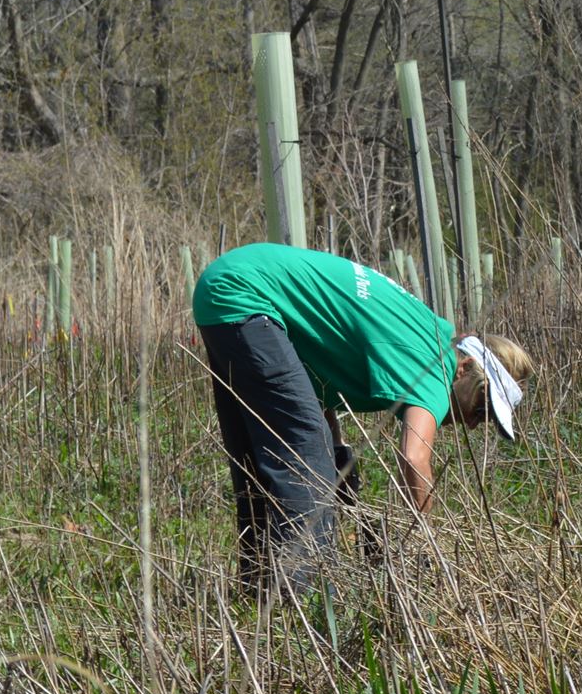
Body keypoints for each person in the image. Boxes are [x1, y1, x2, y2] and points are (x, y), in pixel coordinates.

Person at [191, 241, 534, 595]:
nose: (475, 423)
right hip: (247, 296)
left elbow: (313, 384)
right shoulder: (438, 365)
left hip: (229, 288)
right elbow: (414, 460)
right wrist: (423, 546)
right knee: (306, 468)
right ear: (466, 369)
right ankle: (301, 603)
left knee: (262, 459)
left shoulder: (424, 332)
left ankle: (258, 593)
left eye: (487, 419)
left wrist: (336, 453)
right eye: (482, 407)